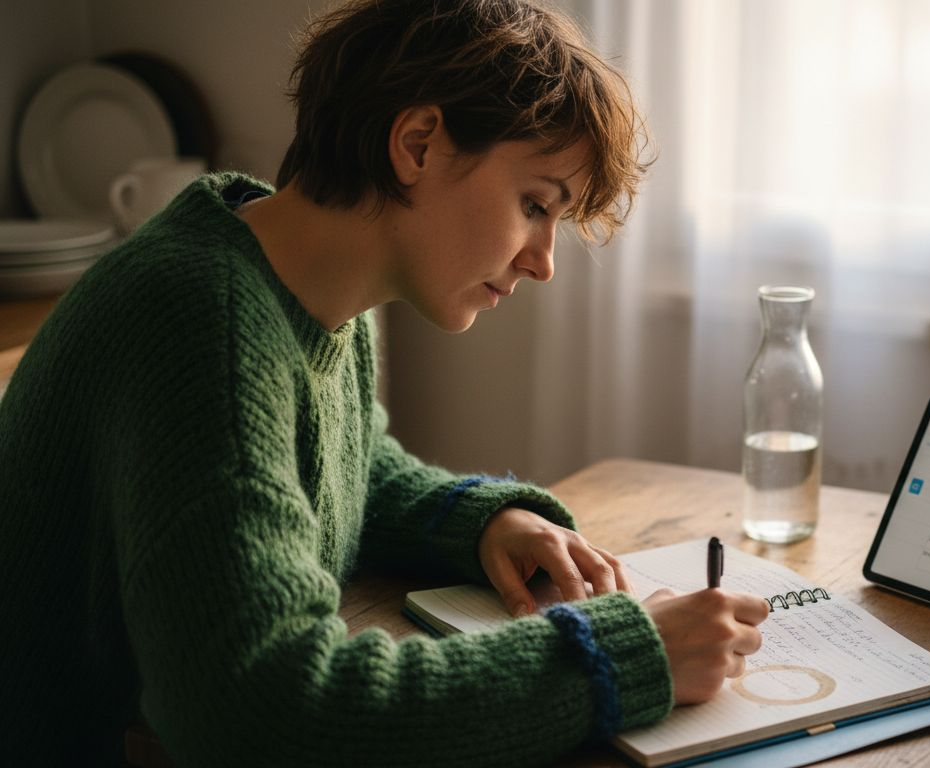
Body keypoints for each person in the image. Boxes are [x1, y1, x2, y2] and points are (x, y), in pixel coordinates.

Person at [0, 0, 769, 765]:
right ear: (418, 143)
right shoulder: (205, 327)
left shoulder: (302, 284)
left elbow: (346, 460)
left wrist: (481, 524)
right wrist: (621, 659)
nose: (543, 261)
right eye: (535, 205)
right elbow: (264, 712)